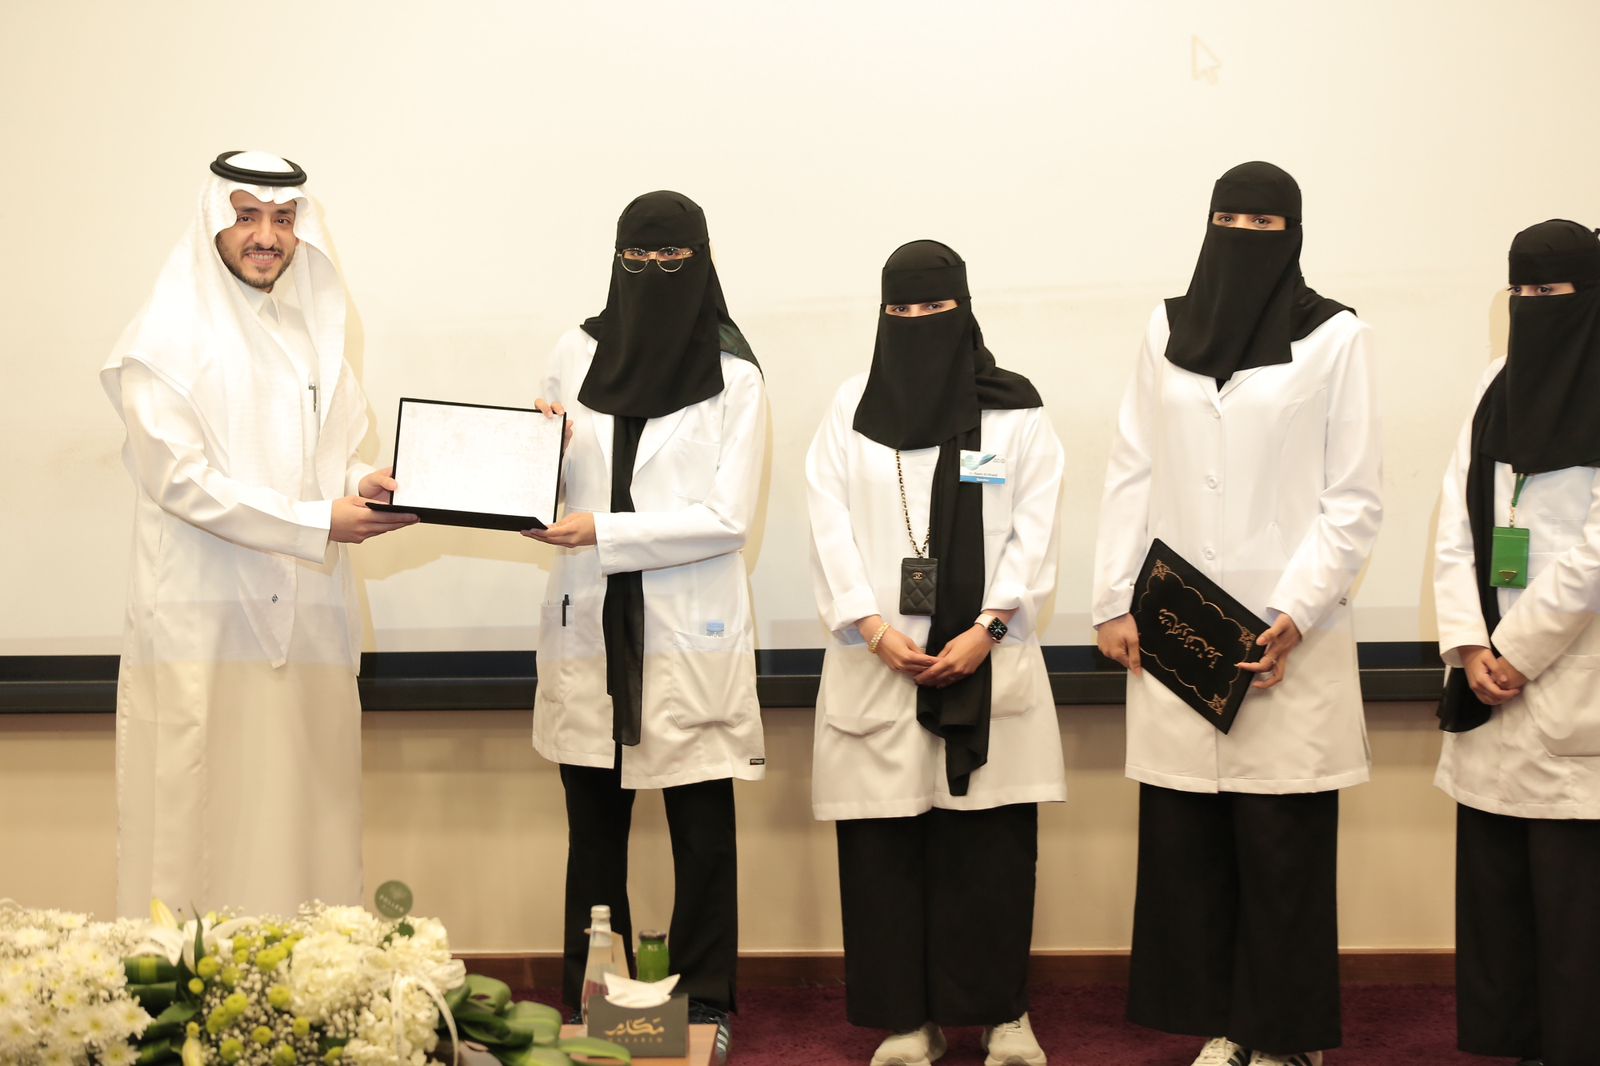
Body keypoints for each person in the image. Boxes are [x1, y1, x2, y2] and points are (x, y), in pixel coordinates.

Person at [1090, 162, 1382, 1066]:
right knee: (1194, 847)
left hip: (1287, 632)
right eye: (1231, 218)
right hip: (1178, 627)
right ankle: (1223, 1023)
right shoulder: (1165, 328)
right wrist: (1113, 599)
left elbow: (1354, 497)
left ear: (1292, 233)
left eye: (1265, 222)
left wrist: (1295, 609)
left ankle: (1285, 1038)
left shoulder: (1335, 335)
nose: (1245, 235)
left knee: (1281, 845)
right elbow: (1132, 466)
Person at [101, 150, 416, 917]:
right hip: (202, 621)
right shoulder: (165, 340)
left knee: (309, 824)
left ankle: (314, 982)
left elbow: (328, 460)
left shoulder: (312, 336)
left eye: (281, 219)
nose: (266, 237)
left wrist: (360, 485)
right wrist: (320, 519)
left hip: (307, 619)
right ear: (215, 221)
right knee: (200, 826)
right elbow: (181, 482)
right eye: (246, 217)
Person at [805, 240, 1065, 1066]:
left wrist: (988, 629)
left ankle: (1002, 1015)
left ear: (965, 309)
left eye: (934, 308)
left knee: (989, 853)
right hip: (877, 661)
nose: (917, 322)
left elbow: (1036, 530)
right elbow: (827, 526)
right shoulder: (850, 408)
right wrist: (873, 628)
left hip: (986, 657)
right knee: (884, 853)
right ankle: (906, 1020)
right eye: (901, 309)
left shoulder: (1015, 412)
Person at [524, 191, 766, 1040]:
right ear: (615, 260)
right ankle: (598, 1001)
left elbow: (728, 518)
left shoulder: (735, 373)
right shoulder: (575, 351)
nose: (655, 274)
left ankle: (705, 1000)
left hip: (686, 628)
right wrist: (540, 461)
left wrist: (608, 531)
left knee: (702, 834)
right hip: (590, 621)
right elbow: (546, 482)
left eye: (672, 260)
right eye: (638, 259)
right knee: (593, 832)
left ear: (702, 261)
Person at [1433, 219, 1600, 1066]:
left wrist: (1520, 649)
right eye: (1522, 292)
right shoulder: (1494, 382)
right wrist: (1470, 644)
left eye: (1552, 291)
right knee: (1501, 897)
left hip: (1574, 680)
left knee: (1575, 911)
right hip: (1490, 684)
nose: (1535, 306)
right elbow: (1455, 521)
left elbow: (1595, 554)